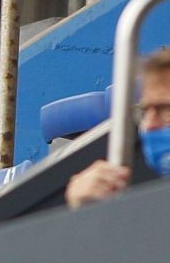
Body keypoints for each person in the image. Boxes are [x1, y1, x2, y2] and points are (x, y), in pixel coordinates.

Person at [65, 49, 170, 208]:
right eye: (145, 111)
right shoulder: (145, 208)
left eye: (166, 110)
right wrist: (83, 211)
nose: (149, 124)